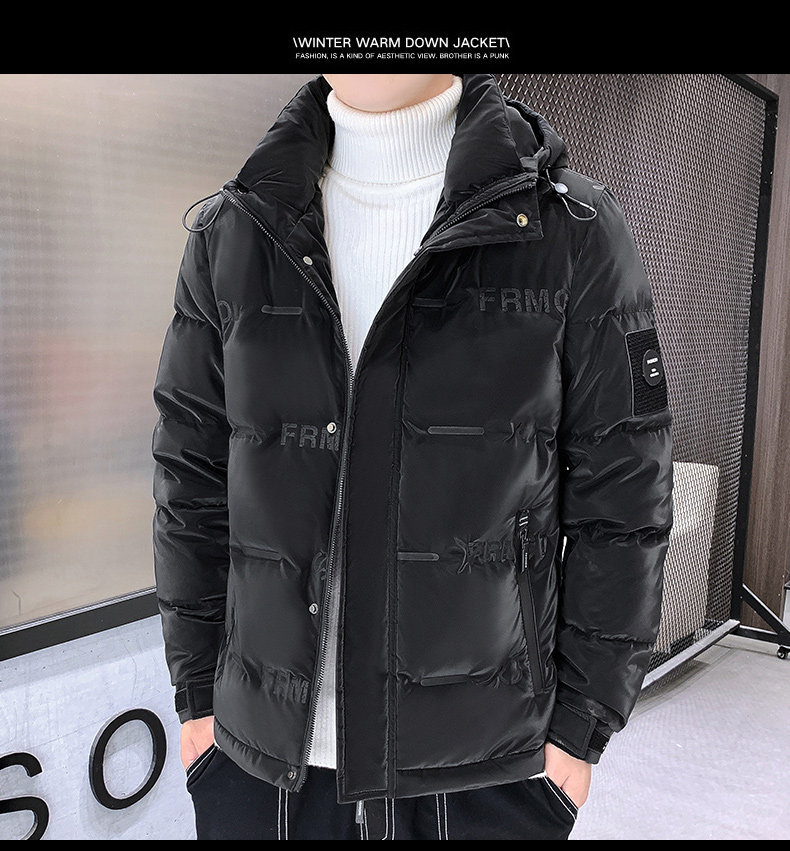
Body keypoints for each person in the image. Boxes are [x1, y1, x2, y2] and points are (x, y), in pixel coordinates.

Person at [151, 73, 674, 840]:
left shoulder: (570, 229)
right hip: (256, 763)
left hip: (488, 769)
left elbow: (624, 498)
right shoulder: (231, 232)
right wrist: (198, 695)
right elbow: (191, 482)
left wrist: (581, 723)